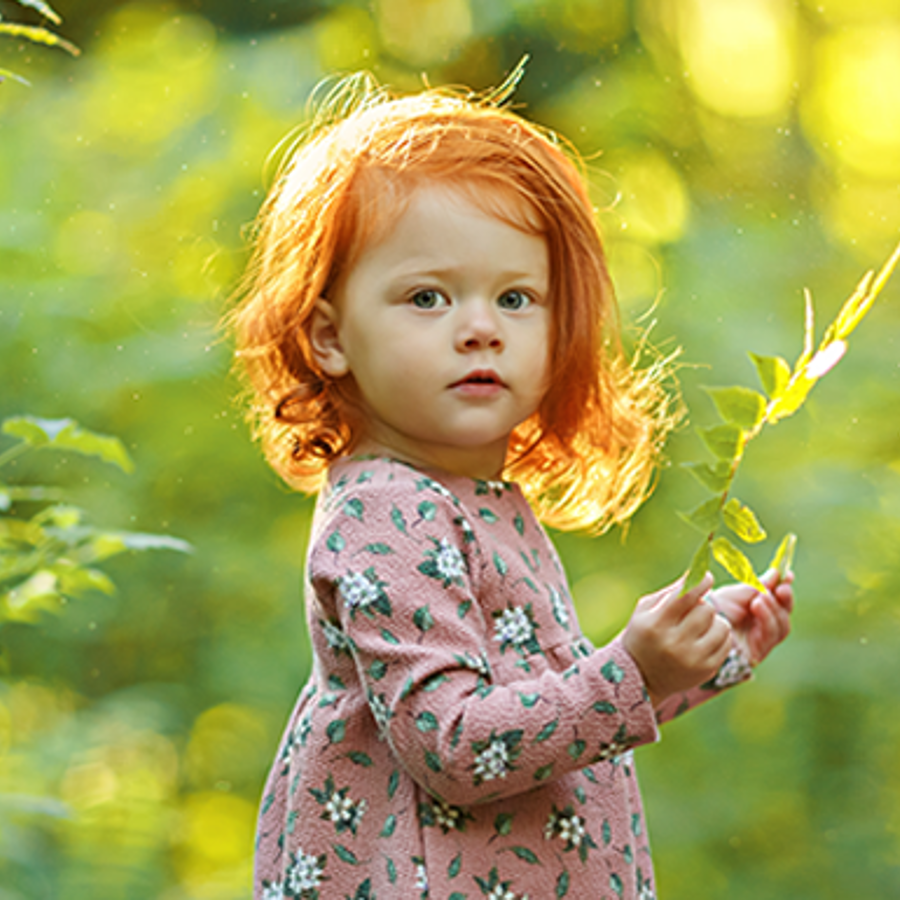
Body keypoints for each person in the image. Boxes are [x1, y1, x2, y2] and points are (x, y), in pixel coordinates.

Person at [229, 71, 793, 900]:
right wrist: (631, 672)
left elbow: (544, 726)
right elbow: (456, 748)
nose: (481, 327)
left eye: (517, 297)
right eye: (428, 296)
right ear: (329, 335)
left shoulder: (476, 502)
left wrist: (685, 667)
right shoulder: (390, 511)